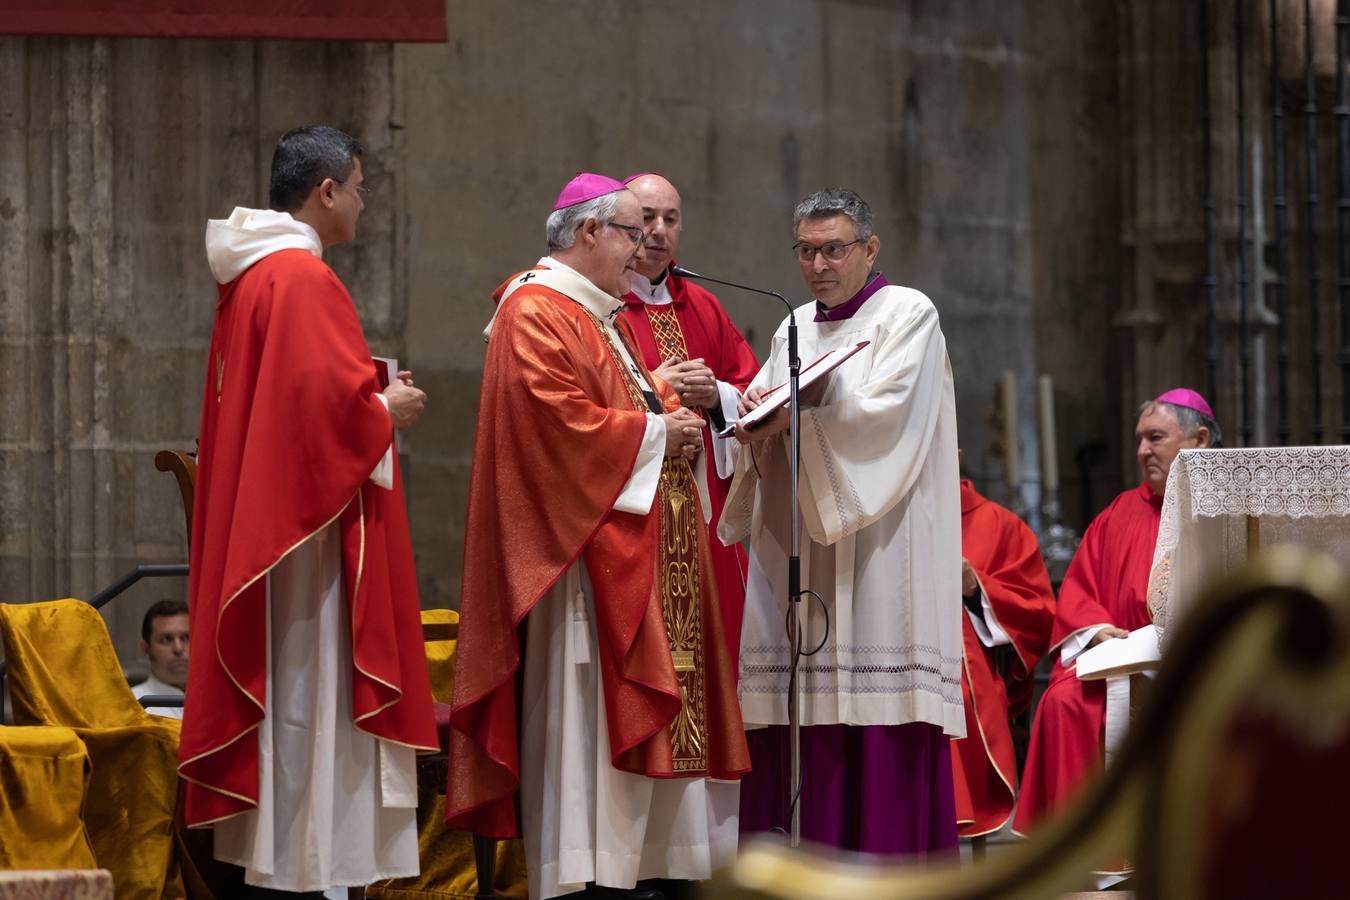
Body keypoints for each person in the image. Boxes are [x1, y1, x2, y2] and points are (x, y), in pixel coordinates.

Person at [447, 173, 750, 900]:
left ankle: (648, 871)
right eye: (629, 230)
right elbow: (557, 429)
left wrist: (668, 405)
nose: (644, 243)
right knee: (586, 748)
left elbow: (616, 401)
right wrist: (656, 429)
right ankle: (591, 878)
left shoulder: (591, 312)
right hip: (581, 570)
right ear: (588, 234)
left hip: (632, 558)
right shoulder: (536, 310)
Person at [179, 125, 438, 896]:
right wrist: (386, 407)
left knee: (289, 711)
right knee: (312, 706)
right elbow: (323, 421)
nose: (362, 204)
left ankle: (285, 865)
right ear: (326, 191)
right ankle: (307, 871)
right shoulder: (302, 278)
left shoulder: (253, 278)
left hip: (277, 538)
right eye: (359, 188)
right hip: (307, 548)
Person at [722, 187, 964, 856]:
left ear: (869, 248)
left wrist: (804, 415)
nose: (819, 265)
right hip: (804, 533)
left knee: (874, 710)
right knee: (805, 706)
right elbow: (771, 404)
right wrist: (759, 414)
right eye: (806, 250)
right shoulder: (793, 323)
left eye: (833, 249)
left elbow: (886, 418)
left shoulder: (909, 312)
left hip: (880, 541)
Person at [1013, 389, 1219, 840]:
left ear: (1199, 439)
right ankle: (1079, 850)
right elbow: (1081, 589)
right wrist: (1097, 631)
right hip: (1123, 653)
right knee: (1064, 701)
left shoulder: (1224, 506)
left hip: (1200, 654)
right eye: (1140, 439)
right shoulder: (1120, 512)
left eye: (1156, 437)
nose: (1143, 450)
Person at [619, 173, 760, 662]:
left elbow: (754, 396)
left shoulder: (703, 305)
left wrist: (716, 393)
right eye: (645, 218)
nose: (658, 231)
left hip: (703, 516)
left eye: (670, 219)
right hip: (634, 513)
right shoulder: (600, 306)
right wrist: (656, 385)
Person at [952, 477, 1056, 838]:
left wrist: (974, 588)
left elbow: (1037, 612)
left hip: (969, 666)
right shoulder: (880, 518)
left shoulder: (999, 524)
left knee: (958, 697)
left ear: (955, 452)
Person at [132, 599, 190, 718]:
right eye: (166, 639)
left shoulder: (218, 701)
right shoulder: (131, 704)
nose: (178, 648)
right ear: (146, 648)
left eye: (186, 638)